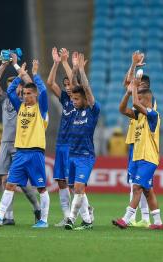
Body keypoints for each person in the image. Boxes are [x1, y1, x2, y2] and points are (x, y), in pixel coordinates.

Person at [0, 58, 50, 228]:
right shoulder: (20, 107)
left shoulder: (41, 108)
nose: (26, 96)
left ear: (35, 95)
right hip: (20, 152)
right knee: (9, 184)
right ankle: (0, 215)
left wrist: (34, 75)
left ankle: (43, 219)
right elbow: (11, 91)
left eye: (30, 94)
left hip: (35, 152)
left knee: (41, 188)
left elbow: (43, 91)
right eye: (25, 94)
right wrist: (18, 75)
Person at [112, 74, 163, 230]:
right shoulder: (137, 116)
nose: (137, 103)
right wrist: (128, 92)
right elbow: (121, 109)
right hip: (137, 156)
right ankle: (158, 223)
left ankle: (126, 219)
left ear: (147, 100)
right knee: (147, 191)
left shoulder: (153, 116)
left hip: (148, 158)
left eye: (141, 100)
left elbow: (135, 102)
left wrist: (133, 88)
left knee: (136, 188)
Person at [64, 52, 100, 231]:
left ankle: (71, 218)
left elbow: (85, 88)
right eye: (72, 99)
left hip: (85, 156)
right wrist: (73, 69)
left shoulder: (92, 110)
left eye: (77, 99)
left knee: (78, 187)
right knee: (74, 188)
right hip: (72, 153)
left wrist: (82, 71)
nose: (74, 101)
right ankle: (87, 219)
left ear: (85, 99)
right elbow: (74, 86)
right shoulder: (76, 110)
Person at [118, 51, 152, 228]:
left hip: (144, 146)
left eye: (142, 84)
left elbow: (130, 88)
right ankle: (143, 218)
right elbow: (127, 84)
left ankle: (141, 218)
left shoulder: (147, 103)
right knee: (137, 183)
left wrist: (136, 79)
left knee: (139, 183)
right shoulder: (136, 97)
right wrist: (133, 66)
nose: (138, 86)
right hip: (134, 142)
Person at [46, 47, 77, 226]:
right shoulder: (65, 99)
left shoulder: (82, 100)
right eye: (65, 86)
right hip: (61, 143)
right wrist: (56, 63)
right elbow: (50, 83)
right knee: (60, 180)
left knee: (73, 183)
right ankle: (67, 215)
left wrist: (66, 63)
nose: (67, 88)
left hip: (74, 145)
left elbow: (76, 83)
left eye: (69, 85)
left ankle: (84, 211)